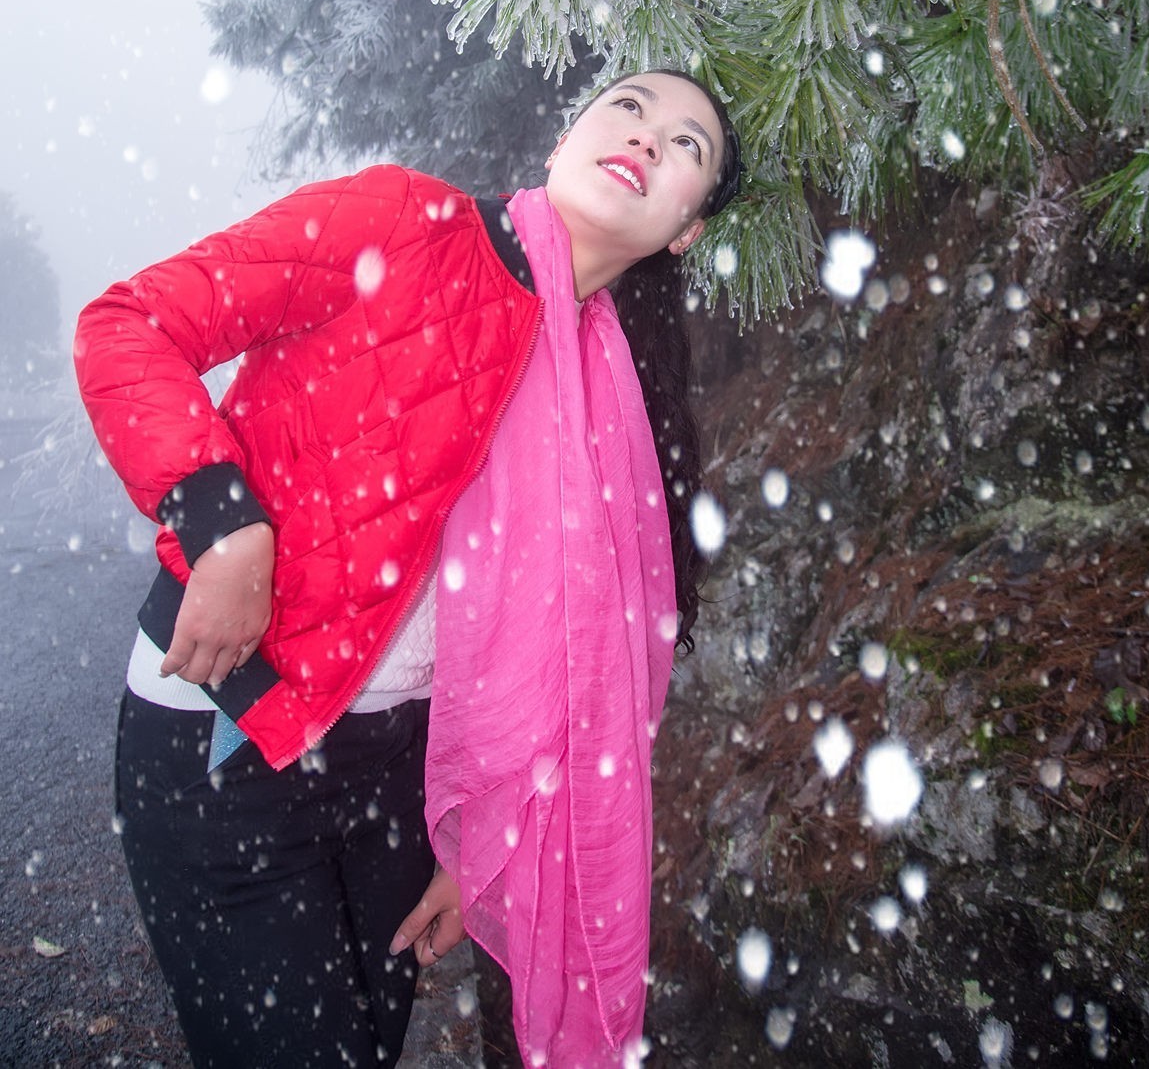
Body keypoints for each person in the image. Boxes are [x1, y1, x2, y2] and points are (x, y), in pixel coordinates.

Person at [74, 67, 741, 1069]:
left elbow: (567, 669)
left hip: (397, 777)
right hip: (231, 735)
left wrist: (474, 847)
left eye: (689, 144)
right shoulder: (400, 221)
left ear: (687, 229)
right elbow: (130, 324)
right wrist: (222, 524)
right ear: (563, 140)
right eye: (630, 107)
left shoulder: (615, 398)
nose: (649, 137)